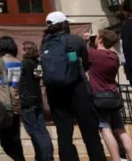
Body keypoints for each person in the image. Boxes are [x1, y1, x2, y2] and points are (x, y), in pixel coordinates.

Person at [40, 11, 106, 161]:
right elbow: (87, 63)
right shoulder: (75, 40)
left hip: (55, 93)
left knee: (64, 133)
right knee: (90, 133)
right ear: (64, 24)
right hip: (78, 90)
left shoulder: (44, 43)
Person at [88, 29, 132, 161]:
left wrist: (88, 40)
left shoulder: (93, 54)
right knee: (121, 130)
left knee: (106, 129)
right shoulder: (114, 56)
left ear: (100, 40)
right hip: (113, 96)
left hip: (98, 97)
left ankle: (116, 159)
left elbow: (83, 53)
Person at [19, 42, 53, 161]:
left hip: (27, 101)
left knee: (34, 131)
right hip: (37, 100)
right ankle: (48, 156)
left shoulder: (23, 64)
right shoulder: (38, 64)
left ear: (25, 51)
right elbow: (38, 78)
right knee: (42, 130)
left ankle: (43, 157)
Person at [0, 37, 25, 161]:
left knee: (4, 142)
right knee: (15, 141)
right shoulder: (17, 62)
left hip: (2, 106)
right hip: (15, 105)